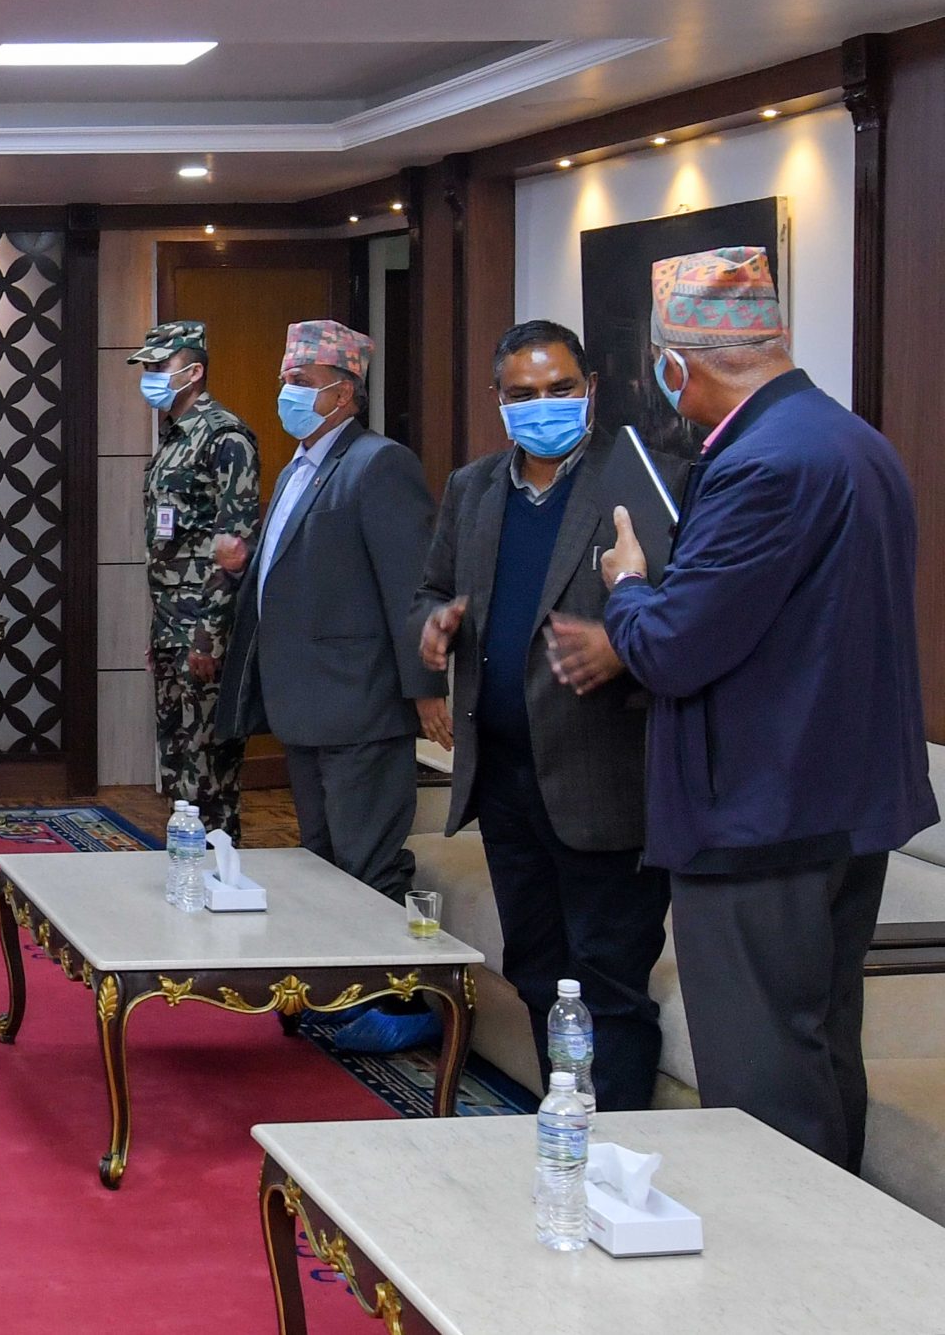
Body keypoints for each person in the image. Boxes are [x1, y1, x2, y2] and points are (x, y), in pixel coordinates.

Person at [602, 248, 931, 1168]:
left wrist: (628, 585)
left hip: (760, 815)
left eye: (661, 366)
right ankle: (839, 1243)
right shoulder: (854, 440)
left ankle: (784, 1252)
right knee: (820, 1051)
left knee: (764, 1092)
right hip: (837, 806)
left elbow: (671, 647)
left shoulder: (762, 465)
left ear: (681, 363)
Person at [412, 320, 678, 1109]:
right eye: (523, 393)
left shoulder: (642, 480)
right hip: (503, 778)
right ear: (498, 400)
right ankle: (563, 1117)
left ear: (590, 388)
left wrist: (623, 644)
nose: (543, 405)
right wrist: (434, 623)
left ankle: (619, 1143)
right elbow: (432, 587)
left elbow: (686, 614)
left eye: (560, 388)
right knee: (536, 967)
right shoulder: (473, 488)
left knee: (607, 980)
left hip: (604, 781)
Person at [216, 320, 444, 1051]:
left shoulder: (379, 465)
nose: (285, 392)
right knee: (321, 861)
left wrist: (426, 689)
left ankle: (395, 1006)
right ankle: (334, 993)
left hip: (362, 702)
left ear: (342, 393)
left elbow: (411, 586)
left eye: (300, 382)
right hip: (306, 702)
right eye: (286, 379)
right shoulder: (297, 468)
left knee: (369, 863)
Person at [129, 320, 261, 841]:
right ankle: (184, 864)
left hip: (205, 632)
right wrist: (160, 633)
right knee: (178, 759)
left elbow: (234, 549)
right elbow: (170, 550)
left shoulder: (225, 438)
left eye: (159, 367)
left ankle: (217, 865)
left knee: (208, 768)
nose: (150, 377)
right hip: (171, 629)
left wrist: (208, 635)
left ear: (193, 371)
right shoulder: (172, 439)